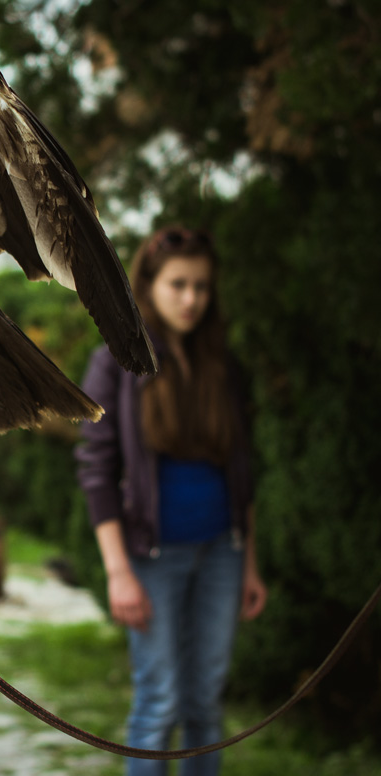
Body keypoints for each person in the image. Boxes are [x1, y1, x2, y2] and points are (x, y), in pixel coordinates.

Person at [75, 227, 268, 775]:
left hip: (222, 553)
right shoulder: (115, 360)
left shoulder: (221, 364)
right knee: (159, 704)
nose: (191, 299)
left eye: (202, 287)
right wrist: (118, 571)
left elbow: (243, 472)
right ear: (149, 286)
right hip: (152, 558)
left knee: (205, 706)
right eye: (178, 284)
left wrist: (249, 562)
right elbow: (96, 469)